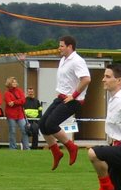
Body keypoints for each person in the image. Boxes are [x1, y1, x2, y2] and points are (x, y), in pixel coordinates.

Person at [38, 35, 90, 168]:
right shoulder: (63, 59)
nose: (59, 48)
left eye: (61, 46)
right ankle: (56, 152)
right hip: (61, 98)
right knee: (42, 124)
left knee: (51, 124)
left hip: (73, 100)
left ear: (69, 46)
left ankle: (71, 147)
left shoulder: (77, 61)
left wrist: (74, 95)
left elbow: (86, 79)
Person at [3, 77, 29, 151]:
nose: (15, 83)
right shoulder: (7, 93)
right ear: (9, 83)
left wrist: (14, 102)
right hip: (11, 115)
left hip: (20, 114)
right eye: (13, 82)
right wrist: (18, 102)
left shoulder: (19, 91)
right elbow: (9, 103)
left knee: (24, 130)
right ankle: (12, 147)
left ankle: (26, 147)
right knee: (12, 131)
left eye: (15, 82)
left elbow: (23, 100)